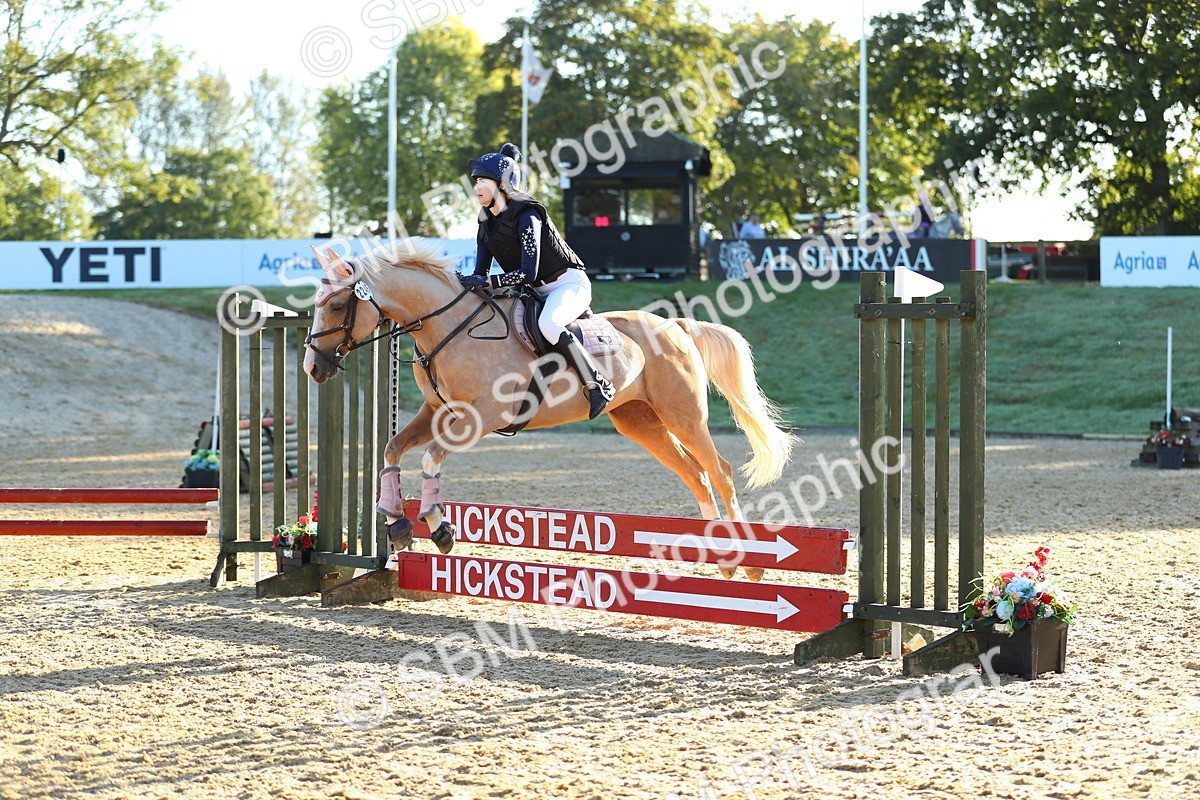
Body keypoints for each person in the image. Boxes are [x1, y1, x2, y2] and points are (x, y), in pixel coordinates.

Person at [461, 143, 615, 419]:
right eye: (476, 181)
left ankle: (597, 384)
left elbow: (527, 273)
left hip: (568, 283)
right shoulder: (485, 222)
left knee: (549, 323)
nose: (477, 187)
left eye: (482, 180)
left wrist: (488, 282)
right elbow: (480, 273)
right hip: (536, 292)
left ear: (502, 184)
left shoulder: (527, 215)